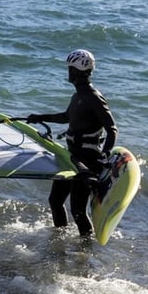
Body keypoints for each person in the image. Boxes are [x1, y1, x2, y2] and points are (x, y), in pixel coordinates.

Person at [26, 49, 118, 239]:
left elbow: (112, 129)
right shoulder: (78, 95)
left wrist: (105, 155)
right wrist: (39, 117)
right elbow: (67, 117)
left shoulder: (93, 97)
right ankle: (60, 240)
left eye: (70, 69)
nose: (68, 73)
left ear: (76, 72)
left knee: (78, 210)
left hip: (86, 161)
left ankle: (85, 249)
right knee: (55, 200)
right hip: (71, 157)